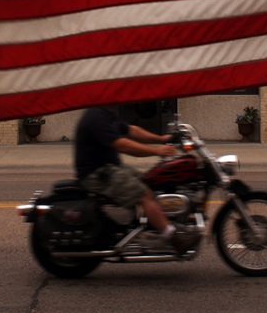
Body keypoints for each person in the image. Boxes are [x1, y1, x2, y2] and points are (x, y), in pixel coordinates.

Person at [73, 106, 192, 252]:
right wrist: (157, 150)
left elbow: (131, 130)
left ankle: (149, 226)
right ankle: (172, 237)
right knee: (142, 195)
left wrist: (162, 139)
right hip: (97, 173)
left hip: (110, 168)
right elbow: (122, 145)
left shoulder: (108, 112)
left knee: (150, 181)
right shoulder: (96, 115)